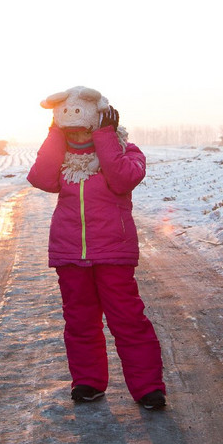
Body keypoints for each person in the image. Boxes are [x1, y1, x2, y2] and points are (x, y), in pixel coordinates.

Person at [27, 86, 167, 410]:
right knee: (79, 321)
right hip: (69, 254)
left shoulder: (125, 152)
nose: (77, 136)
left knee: (128, 320)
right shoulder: (62, 160)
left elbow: (121, 180)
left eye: (83, 128)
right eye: (69, 130)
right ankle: (88, 382)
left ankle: (148, 388)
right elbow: (40, 177)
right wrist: (54, 135)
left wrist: (105, 136)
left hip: (113, 254)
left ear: (102, 123)